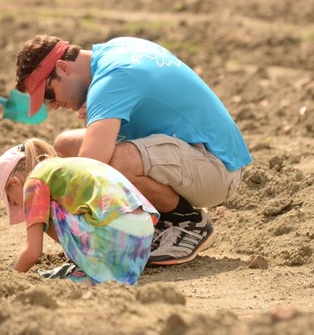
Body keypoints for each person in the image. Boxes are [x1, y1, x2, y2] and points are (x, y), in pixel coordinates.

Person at [14, 35, 252, 267]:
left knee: (115, 162)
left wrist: (54, 211)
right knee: (66, 143)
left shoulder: (111, 80)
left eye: (49, 94)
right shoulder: (116, 50)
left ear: (63, 68)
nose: (53, 105)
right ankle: (154, 220)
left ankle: (186, 221)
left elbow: (90, 167)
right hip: (195, 150)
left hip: (219, 167)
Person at [0, 138, 158, 285]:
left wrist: (10, 278)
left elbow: (33, 252)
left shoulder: (34, 181)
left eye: (14, 202)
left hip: (115, 234)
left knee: (43, 209)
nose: (21, 207)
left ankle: (90, 269)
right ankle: (98, 267)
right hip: (141, 239)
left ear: (14, 183)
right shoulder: (65, 165)